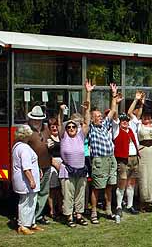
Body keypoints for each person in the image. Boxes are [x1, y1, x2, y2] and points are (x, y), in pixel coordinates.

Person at [87, 82, 119, 224]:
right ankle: (94, 212)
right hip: (99, 160)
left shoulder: (104, 125)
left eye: (101, 115)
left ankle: (108, 210)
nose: (100, 117)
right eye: (98, 116)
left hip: (110, 159)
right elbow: (87, 112)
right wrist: (88, 92)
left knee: (110, 186)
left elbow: (112, 111)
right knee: (96, 187)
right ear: (92, 118)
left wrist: (113, 95)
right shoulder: (91, 128)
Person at [57, 95, 90, 227]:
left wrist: (87, 109)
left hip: (81, 170)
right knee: (68, 195)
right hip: (67, 171)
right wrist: (60, 112)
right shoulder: (64, 136)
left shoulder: (81, 136)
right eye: (69, 127)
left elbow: (86, 123)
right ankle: (69, 217)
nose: (71, 128)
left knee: (80, 194)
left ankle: (79, 215)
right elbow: (60, 123)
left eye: (73, 127)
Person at [128, 92, 152, 213]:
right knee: (145, 177)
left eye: (148, 116)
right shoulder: (138, 125)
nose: (146, 118)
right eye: (144, 116)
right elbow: (129, 113)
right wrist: (137, 101)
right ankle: (144, 202)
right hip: (145, 154)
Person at [12, 125, 42, 235]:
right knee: (26, 202)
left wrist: (38, 170)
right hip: (25, 181)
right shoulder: (24, 148)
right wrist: (32, 181)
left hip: (23, 180)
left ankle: (31, 223)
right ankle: (23, 225)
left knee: (31, 202)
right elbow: (26, 167)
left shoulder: (18, 146)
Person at [112, 111, 140, 222]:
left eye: (126, 120)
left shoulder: (131, 130)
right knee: (122, 182)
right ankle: (119, 206)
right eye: (123, 120)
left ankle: (129, 205)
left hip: (134, 158)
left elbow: (135, 119)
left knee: (131, 183)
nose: (125, 122)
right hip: (123, 159)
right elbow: (115, 120)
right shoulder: (117, 130)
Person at [27, 105, 52, 225]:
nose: (37, 121)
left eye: (39, 119)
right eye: (35, 119)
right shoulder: (26, 131)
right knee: (32, 193)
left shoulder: (45, 128)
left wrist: (51, 144)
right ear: (31, 119)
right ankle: (29, 217)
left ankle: (38, 215)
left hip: (46, 164)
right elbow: (23, 150)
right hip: (32, 167)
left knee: (44, 192)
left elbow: (51, 139)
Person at [46, 118, 62, 221]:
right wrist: (56, 165)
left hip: (62, 162)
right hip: (53, 164)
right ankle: (52, 210)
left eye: (56, 126)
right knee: (53, 189)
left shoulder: (61, 137)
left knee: (61, 189)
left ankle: (60, 208)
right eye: (52, 126)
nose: (55, 128)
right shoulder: (48, 139)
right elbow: (47, 154)